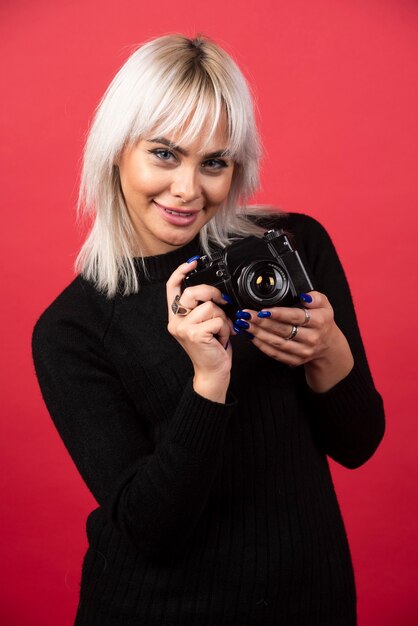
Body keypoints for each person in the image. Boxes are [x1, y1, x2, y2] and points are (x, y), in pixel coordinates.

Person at [32, 34, 385, 626]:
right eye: (165, 154)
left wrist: (329, 351)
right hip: (157, 611)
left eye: (214, 162)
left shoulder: (288, 251)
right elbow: (151, 528)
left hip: (310, 599)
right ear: (117, 151)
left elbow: (358, 444)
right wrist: (208, 382)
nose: (188, 189)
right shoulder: (73, 329)